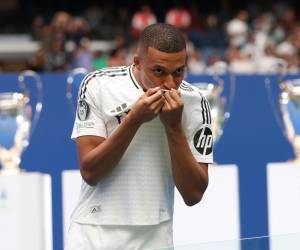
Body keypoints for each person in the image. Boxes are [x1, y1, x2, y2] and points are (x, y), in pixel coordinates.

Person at [66, 23, 213, 250]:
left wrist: (174, 127)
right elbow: (90, 172)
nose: (170, 84)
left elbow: (193, 195)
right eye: (159, 71)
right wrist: (133, 120)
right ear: (137, 62)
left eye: (178, 72)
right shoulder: (98, 84)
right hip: (94, 233)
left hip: (156, 235)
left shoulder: (196, 101)